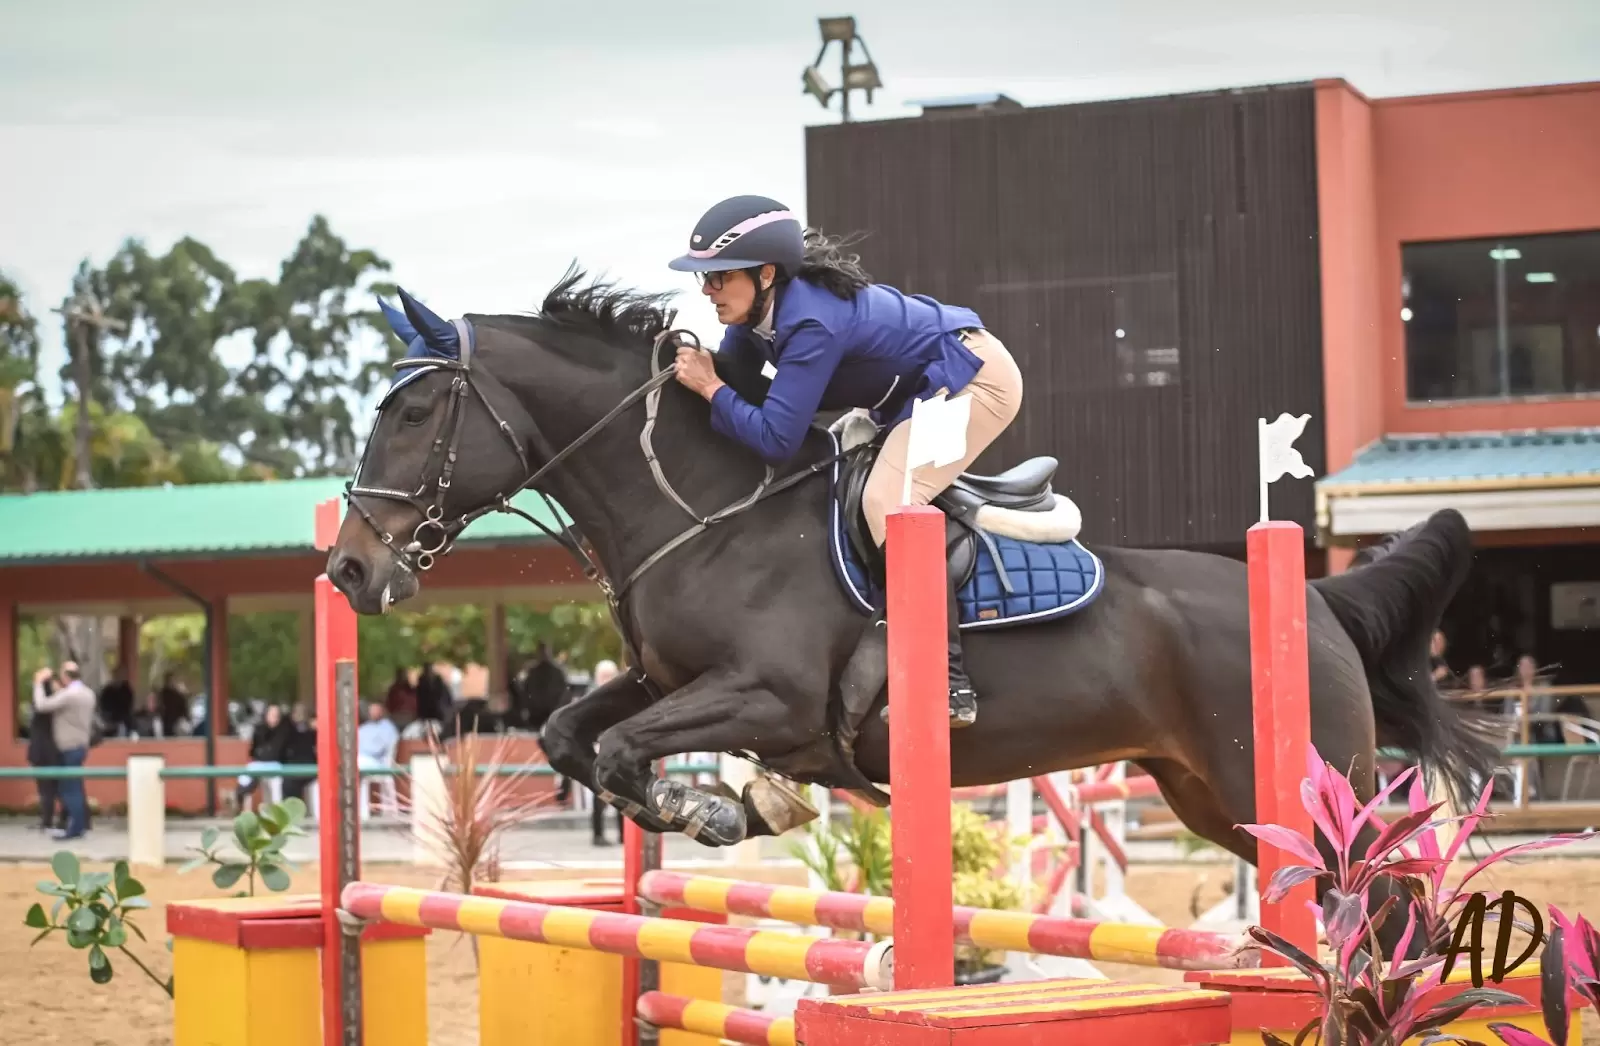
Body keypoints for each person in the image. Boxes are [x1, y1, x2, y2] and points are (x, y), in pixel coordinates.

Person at [667, 195, 1025, 728]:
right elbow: (737, 383)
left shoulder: (812, 320)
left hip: (975, 380)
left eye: (719, 277)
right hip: (915, 393)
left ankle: (946, 681)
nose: (708, 290)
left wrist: (710, 384)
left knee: (888, 502)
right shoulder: (752, 317)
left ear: (765, 274)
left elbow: (774, 437)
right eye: (704, 278)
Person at [32, 661, 97, 840]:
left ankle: (75, 828)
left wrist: (38, 683)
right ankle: (79, 825)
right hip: (81, 745)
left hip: (69, 747)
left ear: (66, 677)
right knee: (73, 786)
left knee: (70, 789)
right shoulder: (88, 693)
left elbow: (42, 705)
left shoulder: (70, 695)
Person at [27, 667, 63, 832]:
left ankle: (47, 820)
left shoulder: (43, 705)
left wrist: (38, 683)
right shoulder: (55, 704)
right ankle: (52, 819)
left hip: (42, 751)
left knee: (45, 788)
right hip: (51, 750)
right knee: (53, 787)